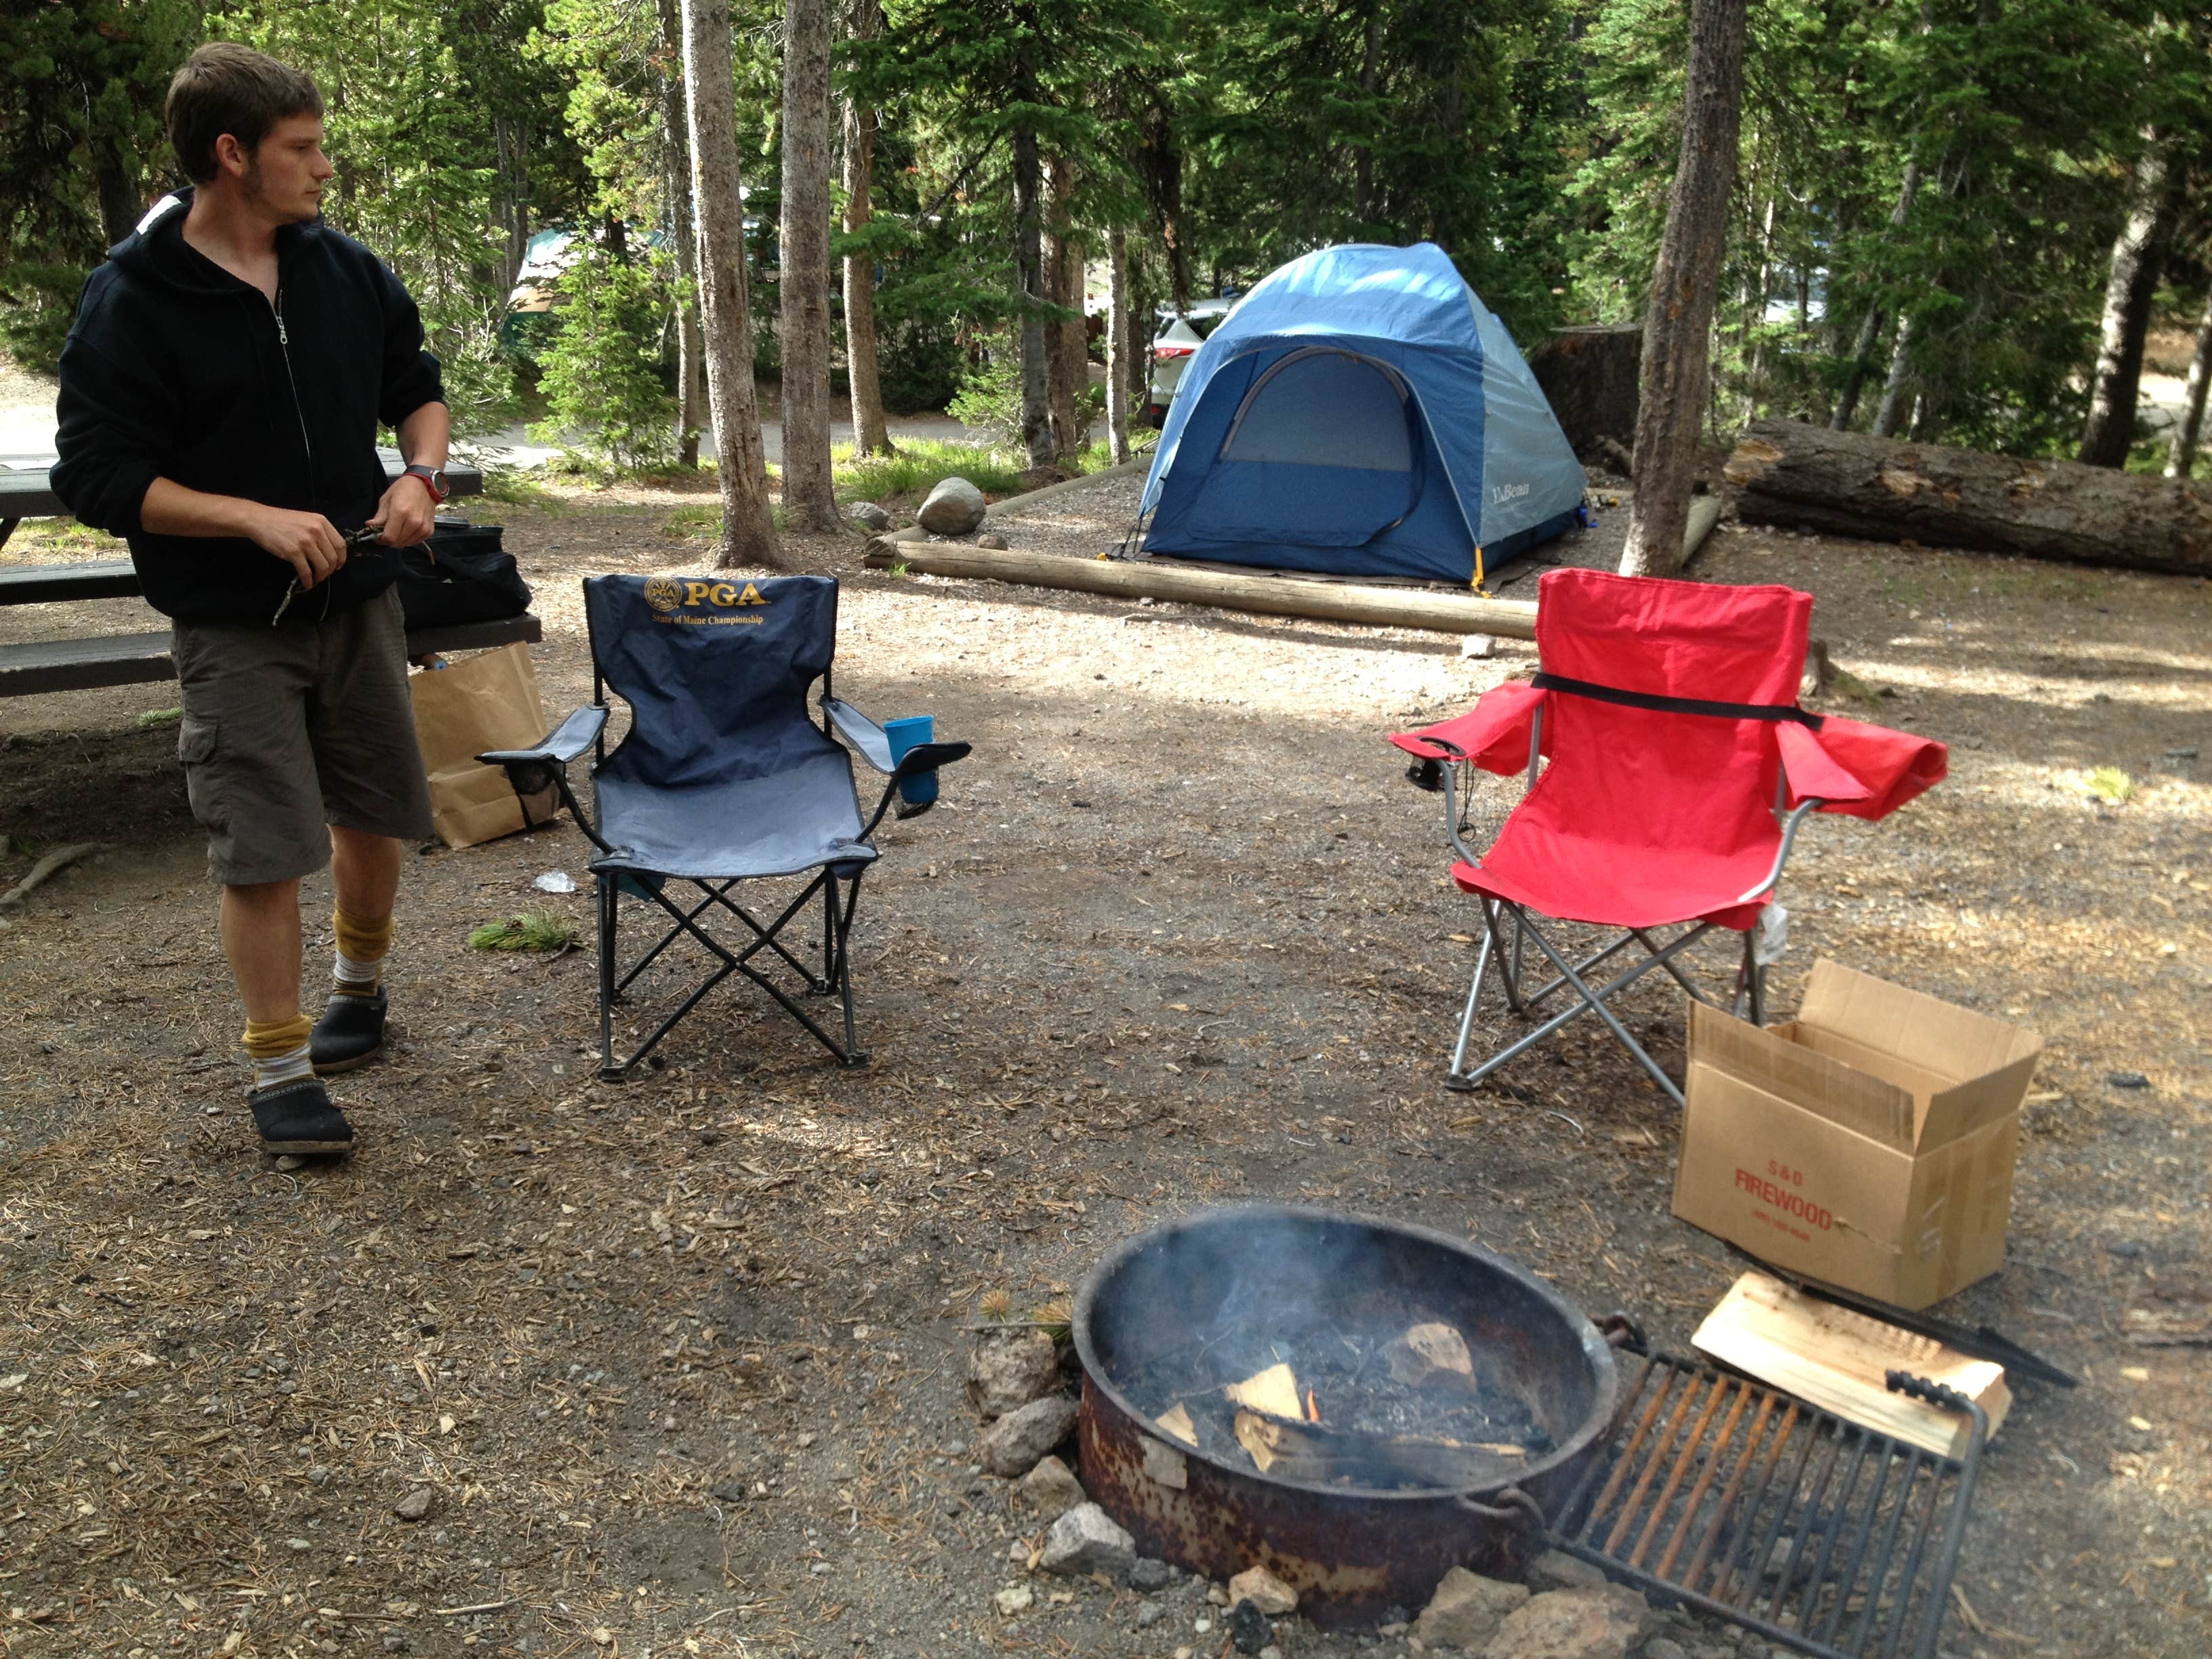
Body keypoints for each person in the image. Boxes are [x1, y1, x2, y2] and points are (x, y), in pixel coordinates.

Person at [52, 42, 453, 1159]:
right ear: (232, 157)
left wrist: (418, 474)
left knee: (374, 812)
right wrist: (252, 517)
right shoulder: (132, 299)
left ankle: (358, 994)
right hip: (234, 622)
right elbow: (95, 478)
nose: (325, 169)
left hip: (361, 597)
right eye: (303, 149)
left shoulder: (341, 269)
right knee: (265, 845)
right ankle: (279, 1074)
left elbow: (415, 386)